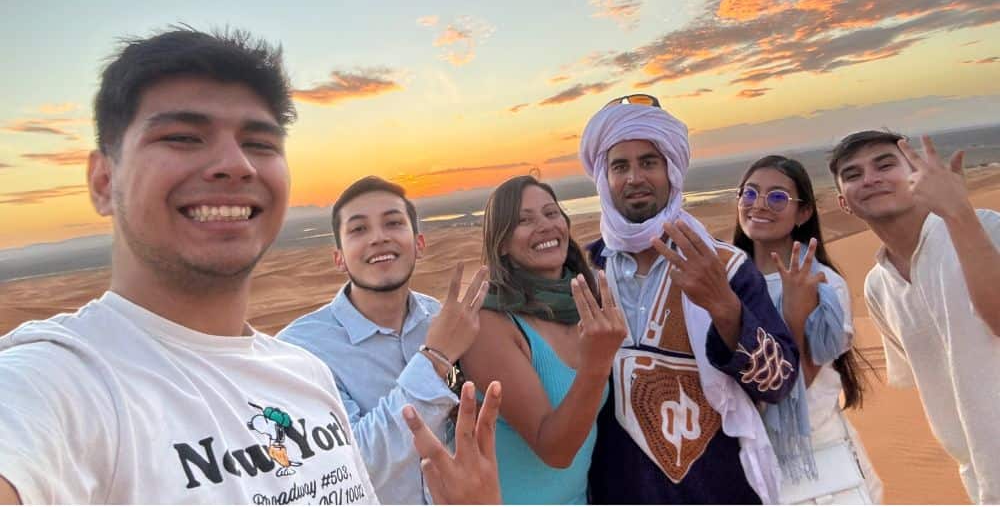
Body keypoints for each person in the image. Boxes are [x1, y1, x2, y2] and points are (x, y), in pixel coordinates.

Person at [0, 27, 500, 505]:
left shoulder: (303, 374)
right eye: (182, 136)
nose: (236, 163)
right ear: (104, 180)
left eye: (260, 143)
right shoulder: (61, 381)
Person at [579, 94, 800, 504]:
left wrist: (724, 307)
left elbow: (779, 381)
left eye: (648, 162)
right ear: (603, 179)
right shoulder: (583, 273)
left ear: (672, 171)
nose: (634, 178)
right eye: (619, 166)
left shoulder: (727, 266)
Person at [278, 176, 488, 504]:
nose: (378, 238)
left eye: (393, 223)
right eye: (358, 229)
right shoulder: (300, 349)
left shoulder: (443, 320)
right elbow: (350, 465)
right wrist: (436, 357)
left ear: (419, 243)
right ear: (339, 258)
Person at [829, 130, 1000, 504]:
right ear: (844, 202)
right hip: (983, 480)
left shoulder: (988, 228)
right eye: (853, 174)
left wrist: (958, 212)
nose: (870, 178)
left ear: (917, 175)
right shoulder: (878, 285)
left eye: (885, 164)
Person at [461, 175, 627, 504]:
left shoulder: (586, 302)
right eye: (524, 220)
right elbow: (554, 450)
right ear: (502, 243)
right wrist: (596, 365)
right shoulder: (490, 322)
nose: (545, 226)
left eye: (552, 214)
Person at [732, 155, 882, 503]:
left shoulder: (824, 285)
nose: (760, 205)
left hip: (820, 465)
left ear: (803, 213)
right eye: (750, 194)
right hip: (746, 464)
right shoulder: (727, 283)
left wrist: (794, 318)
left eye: (778, 197)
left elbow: (793, 384)